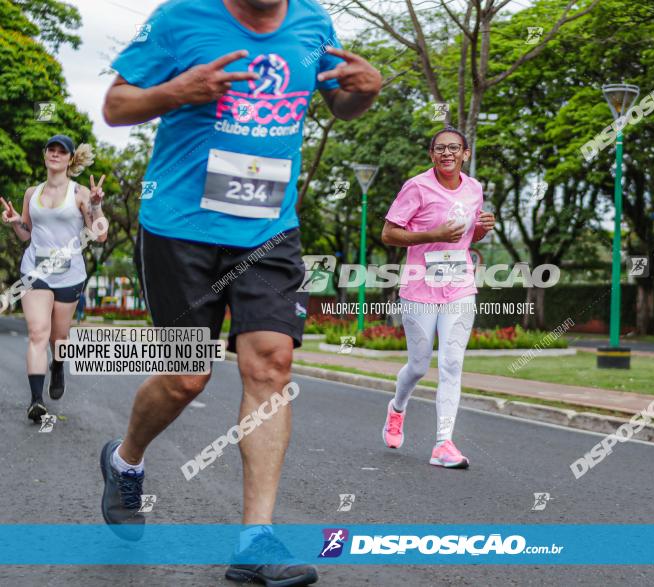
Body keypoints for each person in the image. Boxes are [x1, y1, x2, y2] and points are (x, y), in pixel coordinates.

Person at [100, 0, 381, 584]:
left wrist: (365, 90)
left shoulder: (315, 23)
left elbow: (342, 103)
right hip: (181, 225)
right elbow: (115, 105)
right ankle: (126, 460)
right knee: (186, 376)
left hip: (268, 226)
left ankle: (257, 539)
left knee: (272, 364)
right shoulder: (181, 19)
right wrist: (178, 90)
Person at [380, 127, 495, 469]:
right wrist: (433, 234)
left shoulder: (475, 189)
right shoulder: (416, 187)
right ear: (431, 155)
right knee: (418, 365)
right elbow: (388, 234)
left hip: (459, 284)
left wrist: (481, 230)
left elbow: (465, 236)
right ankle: (397, 408)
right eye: (440, 148)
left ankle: (443, 443)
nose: (448, 153)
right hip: (419, 285)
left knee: (452, 362)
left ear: (466, 154)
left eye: (454, 148)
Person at [0, 135, 107, 422]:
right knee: (37, 333)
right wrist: (14, 224)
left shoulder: (80, 193)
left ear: (70, 159)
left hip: (69, 274)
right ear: (45, 154)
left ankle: (57, 364)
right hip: (35, 271)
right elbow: (27, 233)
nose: (56, 154)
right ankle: (36, 400)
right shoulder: (31, 193)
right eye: (51, 149)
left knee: (58, 338)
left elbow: (100, 235)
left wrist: (95, 205)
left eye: (62, 151)